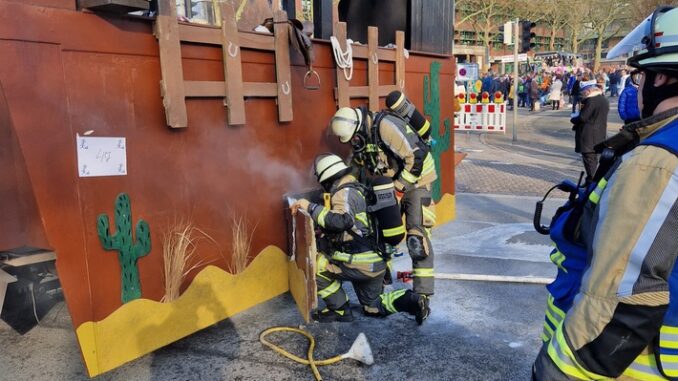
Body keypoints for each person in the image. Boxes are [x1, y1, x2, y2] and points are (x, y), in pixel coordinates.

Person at [533, 6, 678, 379]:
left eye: (639, 75)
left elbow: (623, 293)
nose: (636, 87)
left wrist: (561, 371)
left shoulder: (657, 160)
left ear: (663, 77)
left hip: (626, 364)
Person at [290, 153, 428, 324]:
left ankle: (340, 310)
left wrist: (309, 207)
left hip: (359, 264)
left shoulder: (344, 193)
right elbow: (357, 226)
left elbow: (342, 220)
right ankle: (414, 301)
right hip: (376, 263)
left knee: (317, 267)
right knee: (373, 307)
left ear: (328, 179)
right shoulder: (360, 190)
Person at [328, 103, 437, 317]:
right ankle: (382, 277)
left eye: (354, 137)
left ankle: (422, 294)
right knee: (382, 231)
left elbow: (417, 156)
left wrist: (397, 190)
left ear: (358, 125)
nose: (353, 142)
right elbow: (358, 165)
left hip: (417, 183)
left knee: (416, 237)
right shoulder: (363, 138)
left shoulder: (386, 126)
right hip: (389, 187)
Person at [570, 79, 609, 184]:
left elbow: (583, 117)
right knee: (593, 159)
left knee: (589, 159)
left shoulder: (591, 101)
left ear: (588, 90)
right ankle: (590, 180)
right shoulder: (603, 99)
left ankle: (591, 181)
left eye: (583, 92)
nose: (583, 94)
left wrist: (573, 119)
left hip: (588, 135)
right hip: (599, 133)